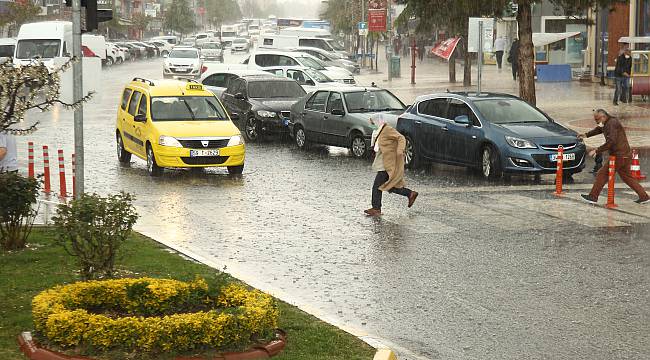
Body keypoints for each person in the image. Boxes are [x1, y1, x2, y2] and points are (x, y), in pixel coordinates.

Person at [579, 109, 649, 204]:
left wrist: (597, 150)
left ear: (603, 116)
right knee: (627, 177)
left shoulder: (611, 124)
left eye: (597, 119)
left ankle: (593, 196)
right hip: (624, 154)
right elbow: (599, 129)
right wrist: (586, 135)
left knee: (602, 174)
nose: (596, 122)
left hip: (619, 155)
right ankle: (644, 196)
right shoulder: (607, 122)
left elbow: (611, 142)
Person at [365, 116, 418, 216]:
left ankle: (376, 208)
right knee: (389, 187)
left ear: (378, 122)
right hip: (383, 162)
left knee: (377, 186)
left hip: (387, 164)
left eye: (373, 123)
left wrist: (400, 150)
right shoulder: (379, 131)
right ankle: (410, 193)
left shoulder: (387, 129)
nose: (372, 125)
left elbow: (401, 138)